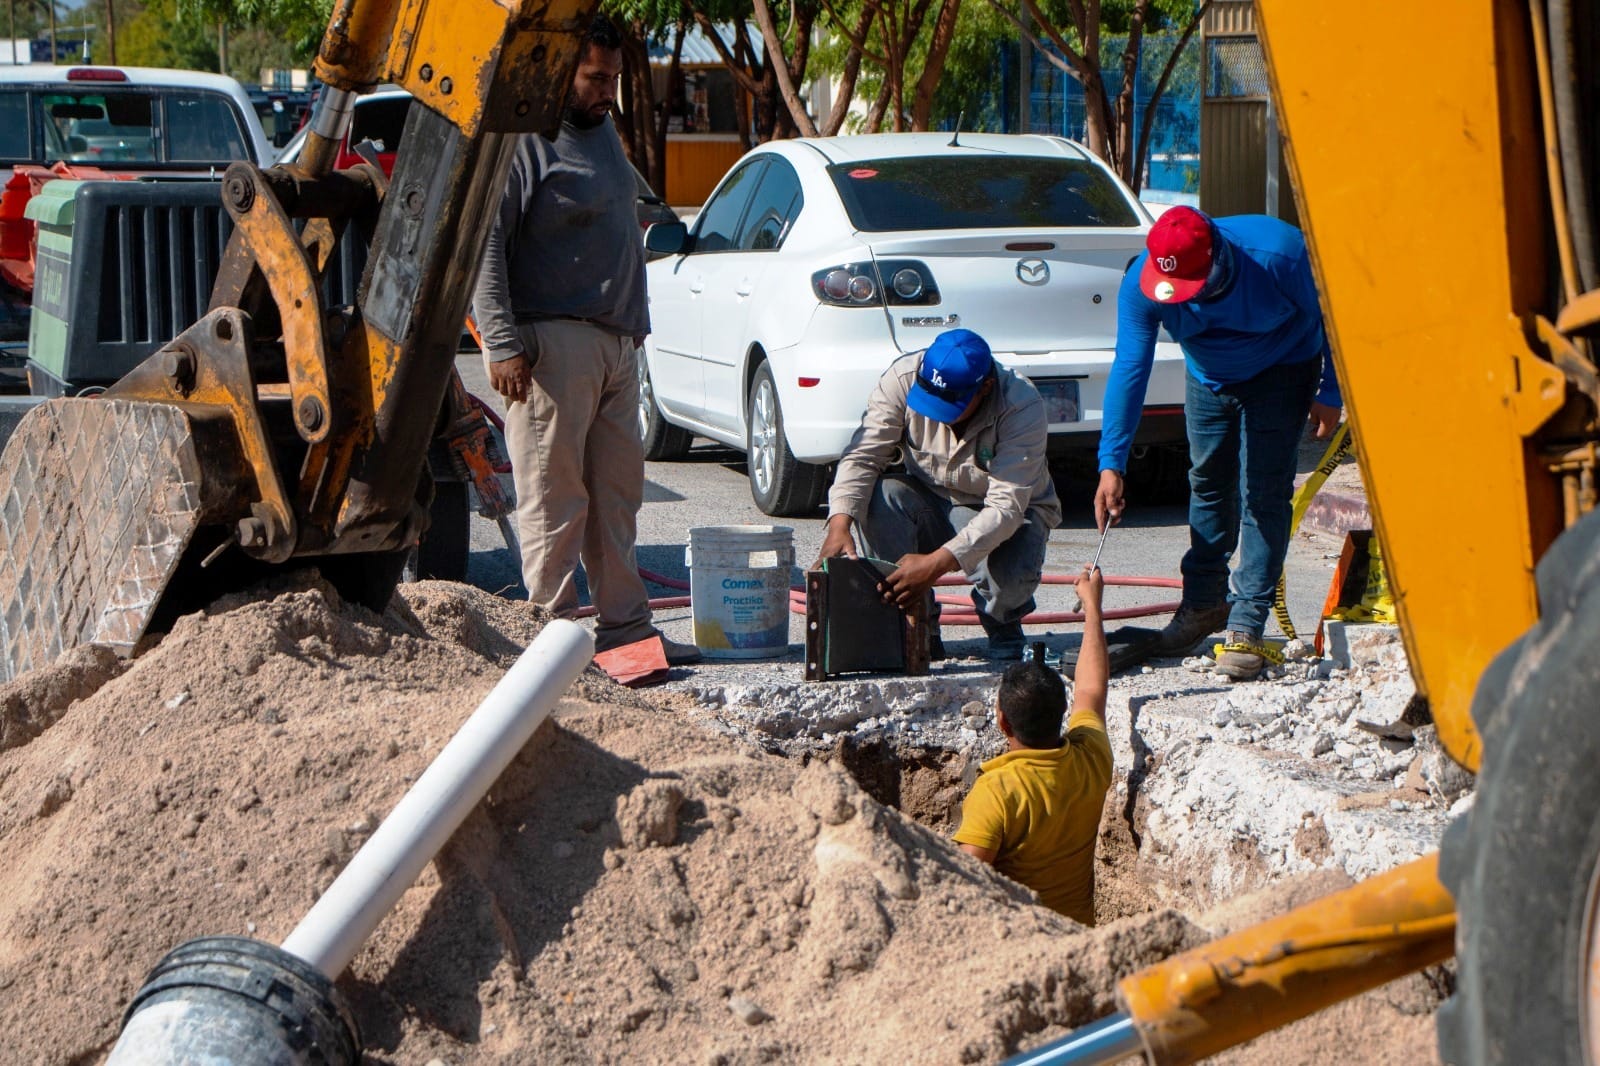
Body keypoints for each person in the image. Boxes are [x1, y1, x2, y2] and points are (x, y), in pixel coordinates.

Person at [472, 15, 699, 665]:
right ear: (560, 72)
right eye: (595, 78)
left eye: (615, 79)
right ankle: (550, 643)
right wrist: (501, 341)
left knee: (616, 502)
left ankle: (628, 633)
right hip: (555, 346)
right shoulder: (527, 143)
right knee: (554, 500)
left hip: (616, 346)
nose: (608, 91)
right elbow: (486, 242)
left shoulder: (603, 137)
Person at [1094, 206, 1342, 681]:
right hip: (1208, 376)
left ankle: (1247, 621)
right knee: (1207, 481)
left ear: (1216, 257)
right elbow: (1130, 368)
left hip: (1283, 368)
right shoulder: (1142, 285)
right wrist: (1112, 463)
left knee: (1263, 491)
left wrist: (1329, 392)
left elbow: (1330, 312)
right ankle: (1204, 604)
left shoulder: (1279, 254)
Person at [814, 328, 1062, 660]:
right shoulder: (902, 378)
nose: (933, 414)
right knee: (881, 497)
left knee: (1010, 578)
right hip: (930, 499)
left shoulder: (1020, 405)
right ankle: (917, 624)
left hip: (1001, 511)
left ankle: (1002, 622)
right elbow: (863, 455)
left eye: (948, 405)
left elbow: (1005, 508)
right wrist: (839, 524)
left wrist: (935, 564)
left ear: (985, 388)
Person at [953, 566, 1113, 925]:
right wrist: (1093, 608)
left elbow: (961, 886)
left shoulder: (997, 791)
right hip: (1079, 941)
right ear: (1062, 714)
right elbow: (1091, 688)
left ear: (1002, 721)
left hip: (1026, 951)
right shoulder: (1090, 757)